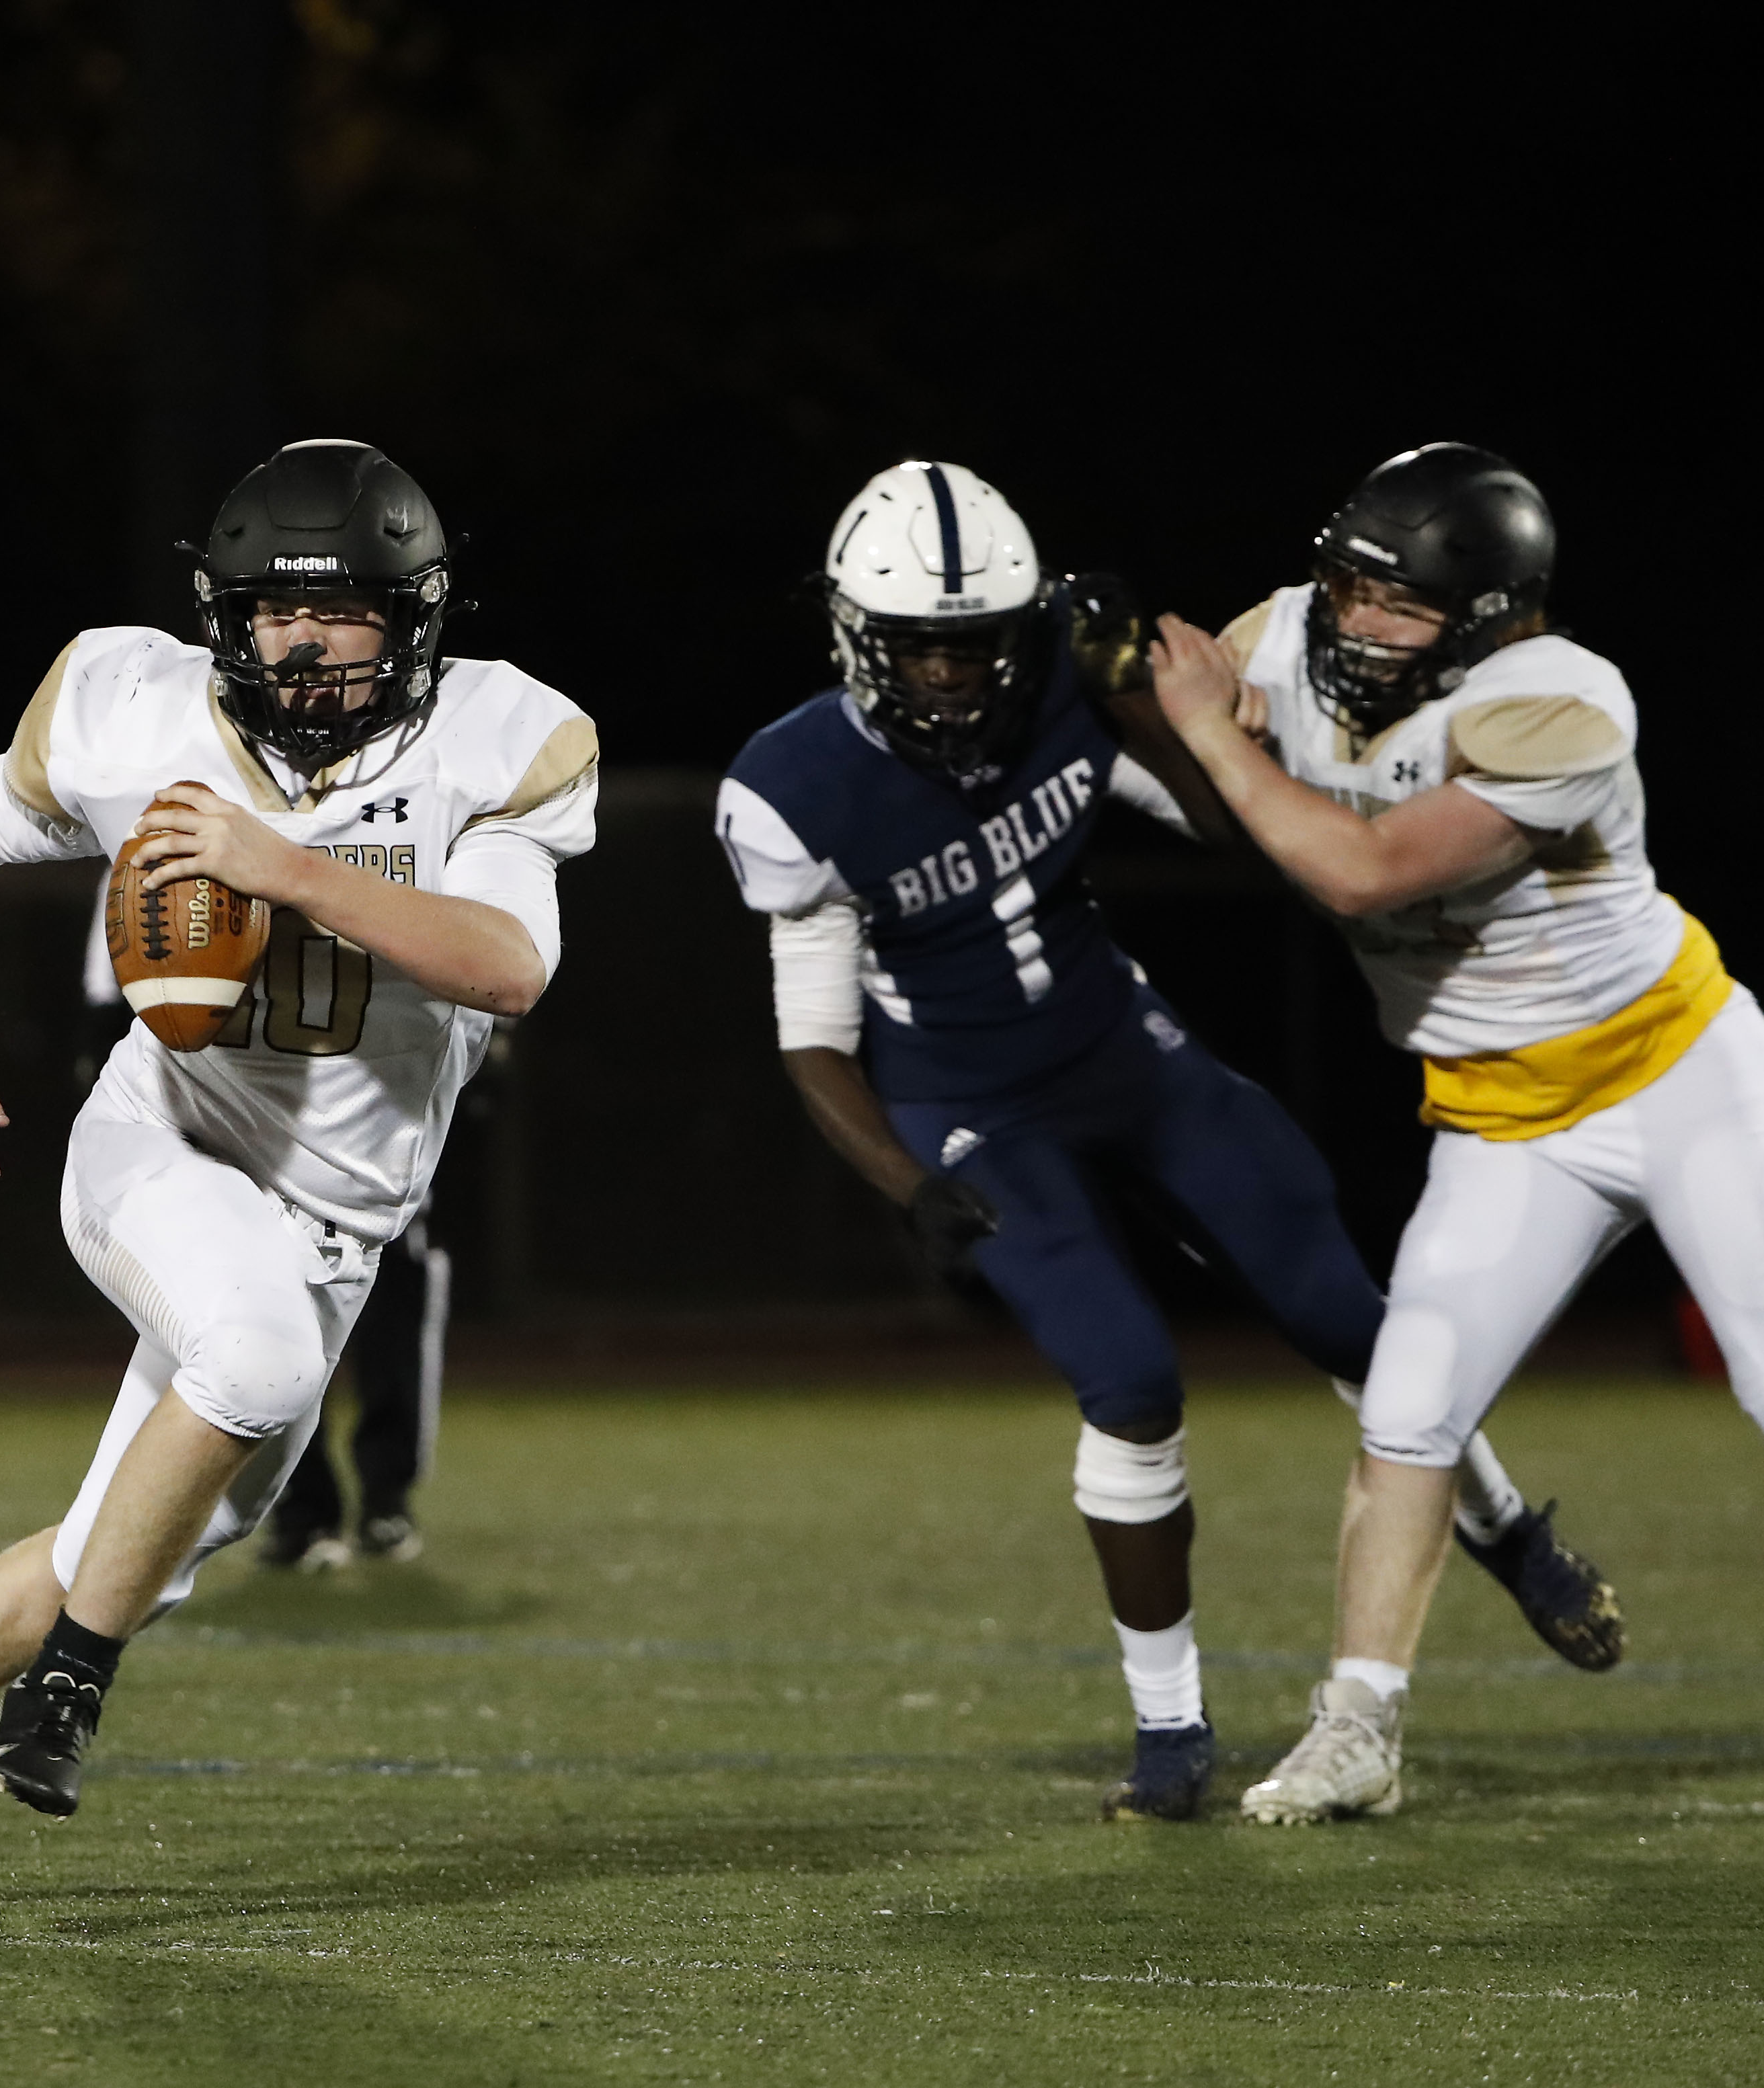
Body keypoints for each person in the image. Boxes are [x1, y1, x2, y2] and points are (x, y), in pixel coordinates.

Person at [716, 460, 1617, 1823]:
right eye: (923, 646)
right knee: (1130, 1380)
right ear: (857, 634)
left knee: (1352, 1318)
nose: (955, 676)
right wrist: (909, 1186)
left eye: (979, 643)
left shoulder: (1068, 697)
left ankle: (1513, 1536)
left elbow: (1217, 818)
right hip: (970, 1101)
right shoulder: (792, 784)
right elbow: (811, 1034)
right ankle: (1169, 1729)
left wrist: (1134, 692)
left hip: (1122, 1052)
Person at [0, 438, 594, 1913]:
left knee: (124, 1549)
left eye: (341, 608)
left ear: (413, 618)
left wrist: (281, 867)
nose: (300, 641)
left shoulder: (497, 738)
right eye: (273, 609)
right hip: (164, 1142)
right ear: (222, 612)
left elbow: (510, 963)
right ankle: (68, 1692)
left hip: (343, 1219)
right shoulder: (133, 705)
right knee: (256, 1355)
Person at [1148, 442, 1759, 1824]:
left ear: (1491, 613)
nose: (1353, 624)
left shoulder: (1557, 699)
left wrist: (1198, 730)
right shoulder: (1292, 630)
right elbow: (1206, 761)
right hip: (1500, 1111)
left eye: (1396, 606)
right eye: (1347, 590)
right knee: (1409, 1407)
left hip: (1675, 1073)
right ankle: (1358, 1722)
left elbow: (1359, 872)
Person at [71, 865, 452, 1570]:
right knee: (254, 1335)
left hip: (362, 1130)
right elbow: (113, 998)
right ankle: (304, 1512)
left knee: (392, 1296)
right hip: (237, 1138)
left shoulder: (391, 833)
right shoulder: (165, 839)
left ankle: (385, 1492)